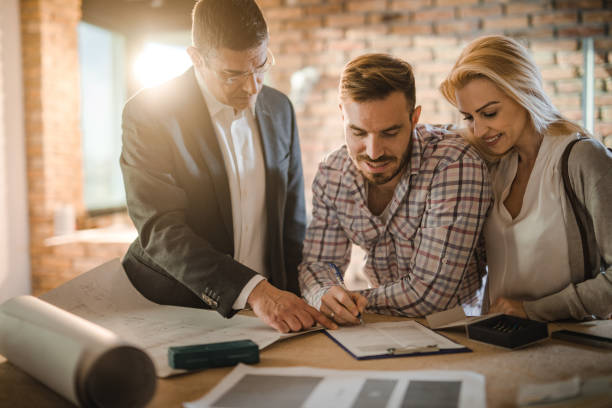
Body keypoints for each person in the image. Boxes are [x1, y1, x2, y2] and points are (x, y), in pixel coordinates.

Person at [120, 0, 335, 333]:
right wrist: (254, 291)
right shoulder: (149, 113)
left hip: (268, 313)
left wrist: (309, 292)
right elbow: (161, 230)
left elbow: (291, 225)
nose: (252, 87)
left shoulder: (280, 108)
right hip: (179, 305)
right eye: (233, 75)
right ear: (196, 58)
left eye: (261, 66)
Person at [298, 54, 492, 324]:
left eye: (389, 133)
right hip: (381, 329)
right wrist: (325, 292)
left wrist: (353, 301)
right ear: (342, 115)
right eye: (358, 133)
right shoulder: (333, 173)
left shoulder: (453, 164)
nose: (374, 152)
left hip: (456, 331)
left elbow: (432, 294)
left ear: (414, 118)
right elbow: (318, 264)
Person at [439, 35, 612, 321]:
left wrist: (533, 311)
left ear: (524, 93)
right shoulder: (493, 165)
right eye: (469, 117)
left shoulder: (582, 158)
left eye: (489, 113)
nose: (480, 130)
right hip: (498, 342)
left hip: (571, 350)